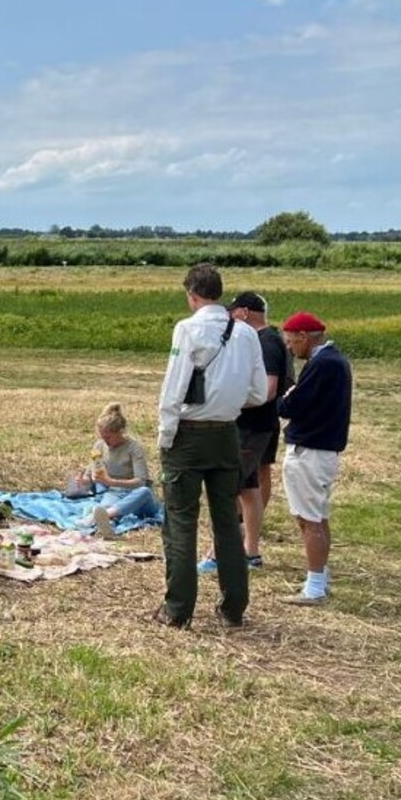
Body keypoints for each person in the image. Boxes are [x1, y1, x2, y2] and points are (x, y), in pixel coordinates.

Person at [152, 263, 268, 629]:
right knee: (227, 524)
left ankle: (178, 608)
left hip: (189, 434)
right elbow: (258, 392)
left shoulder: (188, 329)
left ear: (192, 294)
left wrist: (165, 436)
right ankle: (234, 606)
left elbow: (173, 390)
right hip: (227, 434)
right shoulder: (247, 334)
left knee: (181, 523)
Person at [277, 311, 352, 606]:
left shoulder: (322, 365)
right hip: (321, 450)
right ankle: (319, 575)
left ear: (304, 336)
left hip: (310, 450)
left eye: (290, 341)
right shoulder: (334, 362)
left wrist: (287, 398)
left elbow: (290, 405)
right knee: (317, 516)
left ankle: (315, 586)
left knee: (310, 520)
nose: (290, 347)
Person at [226, 291, 292, 569]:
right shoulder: (268, 339)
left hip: (253, 426)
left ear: (244, 312)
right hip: (258, 425)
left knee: (230, 486)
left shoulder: (266, 342)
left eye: (233, 314)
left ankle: (226, 549)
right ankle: (249, 549)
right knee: (250, 485)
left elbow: (268, 389)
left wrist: (229, 401)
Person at [75, 403, 160, 539]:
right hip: (114, 494)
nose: (105, 441)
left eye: (108, 437)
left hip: (136, 496)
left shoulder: (134, 447)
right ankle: (106, 524)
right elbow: (90, 475)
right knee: (103, 507)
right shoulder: (99, 446)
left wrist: (111, 481)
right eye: (103, 437)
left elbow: (141, 482)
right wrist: (83, 481)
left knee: (145, 492)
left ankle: (101, 517)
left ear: (120, 432)